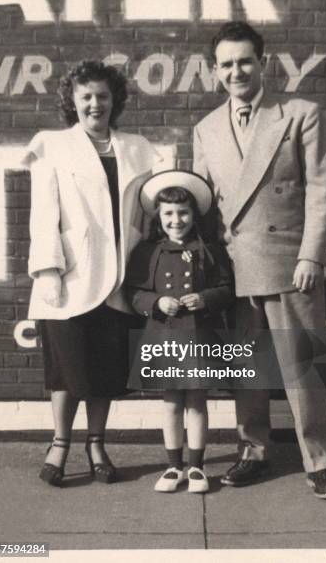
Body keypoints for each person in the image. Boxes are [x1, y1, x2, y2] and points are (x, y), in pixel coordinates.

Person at [193, 22, 326, 499]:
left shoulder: (299, 114)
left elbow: (323, 190)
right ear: (214, 72)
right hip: (235, 266)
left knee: (303, 370)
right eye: (226, 64)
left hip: (288, 263)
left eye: (244, 61)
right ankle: (252, 450)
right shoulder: (206, 128)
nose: (236, 71)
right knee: (246, 370)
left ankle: (319, 462)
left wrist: (311, 256)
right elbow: (201, 202)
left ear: (263, 62)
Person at [22, 60, 159, 486]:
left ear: (114, 99)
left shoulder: (137, 148)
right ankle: (60, 443)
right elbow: (43, 214)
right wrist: (48, 271)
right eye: (86, 97)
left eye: (102, 95)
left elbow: (151, 213)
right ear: (72, 102)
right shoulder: (52, 145)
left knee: (106, 369)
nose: (95, 104)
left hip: (121, 277)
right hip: (71, 277)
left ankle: (96, 443)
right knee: (66, 367)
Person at [125, 170, 233, 493]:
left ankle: (197, 467)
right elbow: (133, 293)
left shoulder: (208, 249)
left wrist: (204, 298)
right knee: (171, 402)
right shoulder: (148, 251)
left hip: (199, 335)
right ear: (159, 216)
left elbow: (227, 288)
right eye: (169, 213)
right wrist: (156, 302)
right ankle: (173, 466)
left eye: (183, 212)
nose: (176, 220)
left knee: (197, 402)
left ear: (194, 214)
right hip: (164, 335)